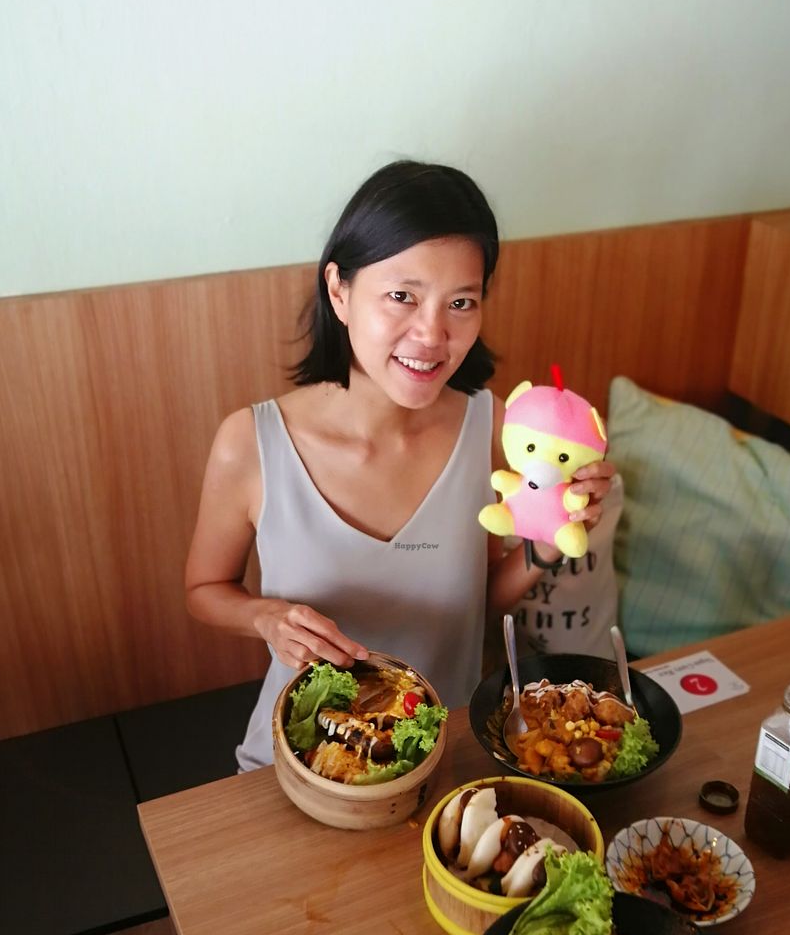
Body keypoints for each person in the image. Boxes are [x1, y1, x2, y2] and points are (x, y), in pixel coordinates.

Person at [184, 160, 616, 771]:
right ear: (339, 290)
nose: (432, 334)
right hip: (301, 765)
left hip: (446, 760)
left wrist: (546, 545)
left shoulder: (495, 430)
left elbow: (476, 602)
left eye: (460, 302)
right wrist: (265, 618)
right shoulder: (250, 442)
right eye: (401, 296)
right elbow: (204, 591)